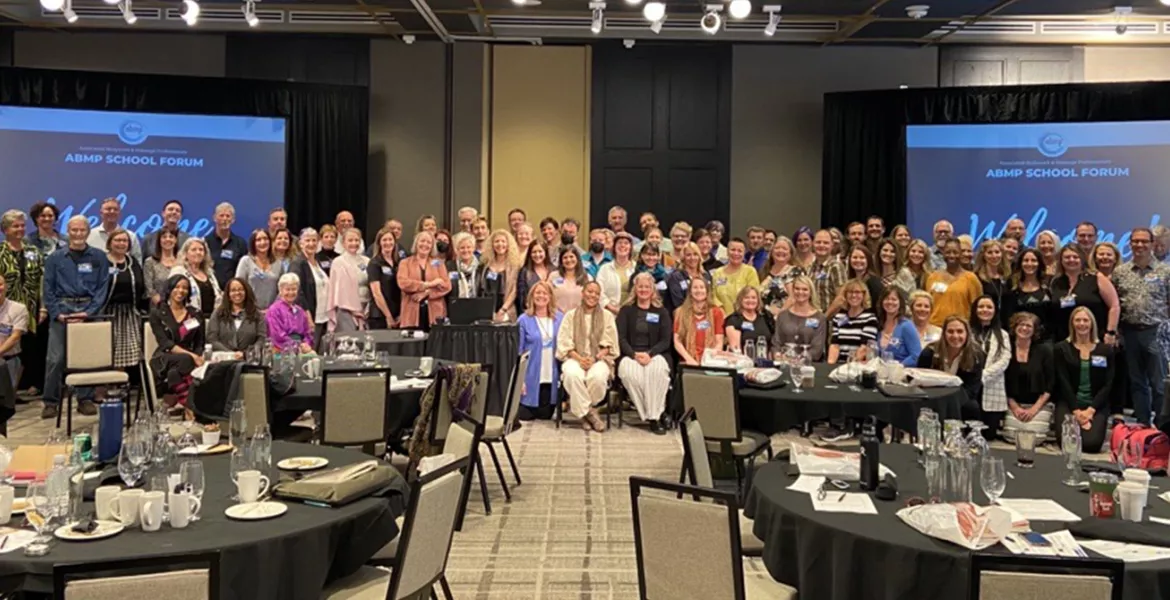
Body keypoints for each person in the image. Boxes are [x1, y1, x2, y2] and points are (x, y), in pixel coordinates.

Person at [41, 216, 109, 418]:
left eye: (82, 230)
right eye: (74, 230)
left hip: (88, 310)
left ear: (88, 232)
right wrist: (56, 313)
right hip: (62, 309)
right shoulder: (55, 258)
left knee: (87, 358)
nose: (78, 234)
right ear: (68, 232)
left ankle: (85, 399)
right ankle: (50, 402)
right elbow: (48, 288)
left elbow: (102, 287)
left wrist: (89, 313)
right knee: (55, 359)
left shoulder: (98, 257)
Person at [1111, 227, 1170, 425]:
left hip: (1156, 333)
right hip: (1130, 332)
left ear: (1153, 244)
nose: (1139, 245)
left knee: (1160, 384)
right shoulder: (1120, 272)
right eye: (1135, 241)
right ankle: (1144, 424)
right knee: (1137, 383)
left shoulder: (1165, 271)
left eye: (1144, 241)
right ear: (1130, 244)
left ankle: (1163, 428)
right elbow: (1116, 303)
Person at [558, 281, 618, 432]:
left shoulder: (607, 316)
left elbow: (609, 344)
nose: (593, 295)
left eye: (596, 293)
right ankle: (590, 413)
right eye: (590, 291)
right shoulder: (570, 316)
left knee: (597, 377)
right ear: (583, 293)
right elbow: (565, 343)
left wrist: (594, 358)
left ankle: (581, 411)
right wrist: (580, 359)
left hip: (599, 358)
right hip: (574, 357)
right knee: (572, 374)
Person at [617, 272, 673, 434]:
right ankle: (653, 414)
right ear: (635, 289)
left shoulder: (661, 312)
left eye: (647, 286)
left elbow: (665, 340)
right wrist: (634, 355)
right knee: (631, 376)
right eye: (640, 286)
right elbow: (620, 338)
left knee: (657, 373)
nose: (643, 290)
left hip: (656, 354)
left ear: (652, 289)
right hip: (630, 354)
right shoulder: (626, 311)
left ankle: (654, 417)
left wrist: (650, 354)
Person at [1055, 307, 1115, 453]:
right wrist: (1076, 412)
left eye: (1085, 320)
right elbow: (1063, 382)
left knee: (1091, 444)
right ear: (1072, 324)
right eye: (1078, 320)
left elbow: (1108, 384)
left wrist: (1090, 411)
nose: (1082, 324)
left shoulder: (1105, 350)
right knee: (1068, 444)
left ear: (1092, 323)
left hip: (1096, 405)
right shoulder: (1061, 349)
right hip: (1069, 403)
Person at [0, 210, 44, 396]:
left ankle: (32, 385)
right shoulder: (0, 252)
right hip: (7, 309)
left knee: (32, 349)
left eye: (22, 225)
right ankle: (10, 390)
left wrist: (43, 307)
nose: (20, 229)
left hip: (33, 308)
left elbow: (42, 279)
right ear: (5, 230)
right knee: (12, 348)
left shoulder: (33, 251)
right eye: (15, 226)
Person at [148, 275, 204, 415]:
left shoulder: (195, 314)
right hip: (164, 357)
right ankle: (193, 406)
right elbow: (165, 343)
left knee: (175, 373)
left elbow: (199, 341)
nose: (181, 291)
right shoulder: (158, 313)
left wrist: (198, 356)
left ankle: (184, 405)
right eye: (177, 287)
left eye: (185, 288)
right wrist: (193, 356)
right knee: (185, 359)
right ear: (170, 289)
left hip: (185, 362)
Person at [1049, 243, 1119, 344]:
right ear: (1061, 260)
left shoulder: (1096, 277)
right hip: (1064, 341)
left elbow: (1114, 305)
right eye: (1067, 257)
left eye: (1075, 257)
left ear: (1082, 259)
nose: (1071, 260)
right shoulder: (1055, 282)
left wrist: (1111, 332)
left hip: (1095, 339)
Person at [1001, 311, 1056, 441]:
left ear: (1034, 330)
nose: (1024, 328)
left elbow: (1050, 384)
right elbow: (1001, 380)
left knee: (1035, 438)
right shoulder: (1005, 349)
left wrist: (1034, 409)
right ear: (1014, 327)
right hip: (1012, 403)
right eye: (1021, 324)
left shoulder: (1045, 351)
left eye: (1029, 326)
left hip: (1039, 403)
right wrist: (1014, 406)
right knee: (1011, 436)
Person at [916, 315, 983, 419]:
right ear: (944, 334)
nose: (955, 336)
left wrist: (949, 402)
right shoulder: (929, 352)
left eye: (960, 331)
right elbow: (919, 380)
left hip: (960, 399)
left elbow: (972, 389)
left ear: (967, 334)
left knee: (972, 407)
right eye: (950, 331)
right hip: (933, 398)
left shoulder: (976, 354)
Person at [101, 229, 147, 372]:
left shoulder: (133, 263)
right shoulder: (101, 261)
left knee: (125, 354)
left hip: (128, 313)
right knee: (106, 351)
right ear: (110, 243)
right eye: (117, 240)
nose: (121, 244)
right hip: (107, 314)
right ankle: (103, 388)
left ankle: (119, 388)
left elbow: (141, 286)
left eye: (124, 241)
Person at [516, 281, 562, 420]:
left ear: (550, 296)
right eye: (537, 293)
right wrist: (520, 381)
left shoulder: (560, 318)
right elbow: (518, 351)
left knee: (545, 415)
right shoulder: (523, 320)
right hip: (530, 378)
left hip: (552, 375)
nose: (541, 296)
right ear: (531, 296)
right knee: (525, 415)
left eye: (544, 293)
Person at [970, 296, 1011, 438]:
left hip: (992, 386)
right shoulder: (967, 332)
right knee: (969, 433)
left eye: (989, 307)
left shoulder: (1003, 335)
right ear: (975, 310)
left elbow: (1004, 360)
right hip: (971, 386)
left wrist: (984, 375)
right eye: (981, 307)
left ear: (995, 311)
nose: (985, 310)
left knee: (989, 436)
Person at [396, 232, 451, 329]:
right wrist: (428, 284)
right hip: (411, 312)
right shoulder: (405, 263)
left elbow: (447, 286)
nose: (425, 244)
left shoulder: (437, 263)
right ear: (416, 243)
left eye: (429, 242)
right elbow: (403, 283)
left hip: (435, 314)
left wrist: (427, 293)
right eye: (422, 241)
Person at [923, 238, 982, 327]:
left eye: (955, 252)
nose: (951, 255)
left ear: (961, 254)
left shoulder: (971, 278)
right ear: (943, 254)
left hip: (960, 329)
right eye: (948, 252)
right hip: (934, 328)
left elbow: (978, 307)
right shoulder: (933, 277)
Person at [288, 228, 331, 345]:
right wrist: (307, 316)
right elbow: (297, 291)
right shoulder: (297, 263)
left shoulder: (319, 262)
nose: (311, 244)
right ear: (301, 244)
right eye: (307, 241)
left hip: (323, 316)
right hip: (309, 317)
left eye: (314, 240)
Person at [772, 276, 827, 362]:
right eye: (797, 289)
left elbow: (817, 349)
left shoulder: (820, 317)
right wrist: (777, 355)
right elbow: (776, 342)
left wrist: (799, 360)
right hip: (784, 364)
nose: (800, 292)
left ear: (811, 292)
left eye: (805, 289)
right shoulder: (782, 316)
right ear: (793, 291)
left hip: (809, 366)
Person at [326, 228, 371, 332]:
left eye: (357, 240)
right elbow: (339, 290)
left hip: (366, 309)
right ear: (343, 242)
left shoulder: (366, 261)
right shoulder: (338, 262)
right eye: (350, 240)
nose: (354, 243)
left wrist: (367, 308)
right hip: (346, 311)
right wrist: (353, 311)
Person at [208, 278, 267, 355]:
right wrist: (231, 354)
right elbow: (212, 339)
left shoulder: (257, 314)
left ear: (246, 292)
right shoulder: (218, 313)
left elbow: (261, 339)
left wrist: (247, 353)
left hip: (249, 359)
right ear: (228, 294)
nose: (237, 293)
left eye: (241, 289)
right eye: (233, 290)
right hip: (223, 358)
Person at [673, 278, 724, 366]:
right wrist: (689, 359)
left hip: (710, 361)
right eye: (695, 287)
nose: (698, 290)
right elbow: (677, 341)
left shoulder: (716, 312)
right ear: (690, 291)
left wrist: (708, 360)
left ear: (707, 291)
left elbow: (719, 342)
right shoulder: (680, 312)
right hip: (687, 360)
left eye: (701, 287)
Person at [827, 280, 878, 364]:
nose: (854, 295)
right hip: (839, 365)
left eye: (857, 292)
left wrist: (850, 365)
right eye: (850, 292)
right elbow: (834, 345)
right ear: (845, 295)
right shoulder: (838, 317)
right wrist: (830, 365)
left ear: (864, 295)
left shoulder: (870, 318)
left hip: (857, 365)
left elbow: (864, 348)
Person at [171, 238, 221, 319]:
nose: (198, 252)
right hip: (187, 319)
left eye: (201, 250)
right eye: (193, 250)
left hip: (211, 319)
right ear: (186, 254)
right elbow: (172, 297)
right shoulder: (178, 271)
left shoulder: (209, 273)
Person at [1008, 248, 1052, 339]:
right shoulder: (1012, 287)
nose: (1029, 263)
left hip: (1046, 340)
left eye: (1034, 260)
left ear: (1039, 263)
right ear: (1020, 263)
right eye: (1026, 260)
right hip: (1020, 338)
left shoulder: (1049, 284)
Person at [267, 273, 314, 354]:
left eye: (294, 289)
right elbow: (277, 336)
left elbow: (307, 333)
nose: (291, 292)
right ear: (280, 290)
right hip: (281, 350)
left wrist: (306, 344)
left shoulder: (300, 311)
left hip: (301, 349)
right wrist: (297, 346)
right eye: (287, 289)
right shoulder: (274, 310)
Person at [711, 238, 760, 316]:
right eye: (733, 250)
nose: (736, 253)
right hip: (722, 317)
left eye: (740, 251)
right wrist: (721, 311)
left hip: (744, 317)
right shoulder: (717, 273)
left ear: (744, 253)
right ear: (727, 252)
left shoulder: (750, 272)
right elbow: (713, 296)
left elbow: (754, 297)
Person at [479, 230, 520, 322]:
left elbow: (514, 290)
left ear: (508, 244)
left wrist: (503, 309)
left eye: (503, 241)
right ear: (492, 245)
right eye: (497, 241)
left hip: (506, 311)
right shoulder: (485, 265)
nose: (500, 244)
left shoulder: (514, 266)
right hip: (486, 311)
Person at [875, 287, 922, 367]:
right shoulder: (879, 324)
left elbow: (916, 356)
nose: (890, 302)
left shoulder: (906, 326)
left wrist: (899, 366)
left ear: (900, 303)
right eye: (886, 299)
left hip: (902, 375)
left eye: (894, 299)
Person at [366, 227, 401, 330]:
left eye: (390, 240)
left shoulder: (398, 263)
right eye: (384, 240)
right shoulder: (374, 263)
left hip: (397, 314)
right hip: (380, 315)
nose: (388, 243)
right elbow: (377, 293)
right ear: (379, 243)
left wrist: (401, 314)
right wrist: (388, 316)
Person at [204, 203, 247, 287]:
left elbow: (244, 270)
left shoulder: (240, 243)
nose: (224, 219)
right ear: (214, 218)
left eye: (228, 216)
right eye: (221, 215)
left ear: (233, 220)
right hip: (210, 289)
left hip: (232, 292)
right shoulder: (205, 242)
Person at [236, 230, 281, 310]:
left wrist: (272, 309)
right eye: (258, 240)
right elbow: (238, 287)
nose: (263, 242)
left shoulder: (278, 263)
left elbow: (281, 290)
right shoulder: (246, 261)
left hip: (272, 312)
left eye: (265, 239)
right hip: (249, 311)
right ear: (253, 243)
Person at [87, 197, 143, 262]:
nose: (112, 211)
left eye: (116, 209)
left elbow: (138, 262)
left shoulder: (131, 236)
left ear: (119, 213)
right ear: (101, 213)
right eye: (108, 209)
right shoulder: (89, 235)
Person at [664, 241, 710, 318]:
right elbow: (678, 302)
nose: (692, 258)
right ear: (683, 258)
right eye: (688, 255)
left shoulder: (706, 276)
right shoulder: (676, 277)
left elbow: (710, 297)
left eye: (695, 254)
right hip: (684, 317)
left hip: (705, 316)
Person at [759, 237, 802, 316]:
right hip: (763, 318)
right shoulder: (765, 271)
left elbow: (793, 298)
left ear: (790, 254)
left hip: (785, 319)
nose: (780, 251)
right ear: (771, 252)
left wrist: (779, 315)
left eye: (784, 249)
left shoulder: (795, 272)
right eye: (777, 248)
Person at [725, 286, 772, 354]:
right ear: (740, 300)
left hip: (765, 362)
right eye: (746, 297)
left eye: (753, 298)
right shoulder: (734, 320)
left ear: (758, 300)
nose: (750, 300)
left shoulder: (765, 317)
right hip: (744, 362)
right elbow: (736, 350)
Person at [597, 233, 636, 315]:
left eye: (626, 243)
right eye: (619, 243)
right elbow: (599, 292)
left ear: (631, 247)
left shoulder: (637, 268)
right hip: (609, 314)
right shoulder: (604, 269)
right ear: (614, 247)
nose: (622, 245)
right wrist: (613, 309)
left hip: (632, 314)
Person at [808, 229, 847, 314]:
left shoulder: (836, 267)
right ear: (813, 244)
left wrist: (824, 318)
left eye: (826, 243)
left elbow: (841, 298)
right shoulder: (811, 268)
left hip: (829, 320)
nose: (821, 245)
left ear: (832, 245)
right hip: (813, 318)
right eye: (818, 242)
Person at [0, 278, 28, 389]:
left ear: (6, 286)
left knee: (6, 402)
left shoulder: (18, 309)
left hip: (9, 360)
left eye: (0, 284)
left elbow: (15, 337)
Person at [840, 245, 883, 311]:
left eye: (862, 258)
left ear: (868, 260)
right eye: (855, 257)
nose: (858, 260)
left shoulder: (874, 283)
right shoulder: (848, 281)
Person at [143, 228, 180, 306]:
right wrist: (161, 303)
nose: (168, 239)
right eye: (164, 237)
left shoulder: (182, 262)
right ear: (159, 241)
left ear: (176, 240)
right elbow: (149, 288)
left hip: (180, 306)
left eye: (171, 236)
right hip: (158, 307)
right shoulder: (150, 262)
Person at [974, 239, 1010, 316]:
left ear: (1002, 254)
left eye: (997, 252)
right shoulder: (976, 278)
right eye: (990, 253)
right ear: (983, 255)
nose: (994, 256)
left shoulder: (1007, 276)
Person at [517, 241, 554, 317]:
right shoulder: (524, 272)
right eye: (534, 252)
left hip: (552, 314)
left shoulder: (554, 271)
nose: (537, 255)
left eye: (540, 251)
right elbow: (521, 298)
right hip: (531, 314)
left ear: (545, 252)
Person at [551, 246, 591, 314]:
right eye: (565, 257)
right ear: (561, 261)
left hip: (579, 317)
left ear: (577, 259)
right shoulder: (553, 276)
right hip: (558, 318)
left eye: (571, 256)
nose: (568, 260)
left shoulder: (587, 278)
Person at [449, 232, 481, 301]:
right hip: (456, 306)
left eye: (468, 247)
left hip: (478, 306)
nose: (466, 250)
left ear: (473, 248)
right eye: (462, 248)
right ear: (457, 250)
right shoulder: (449, 267)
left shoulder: (481, 267)